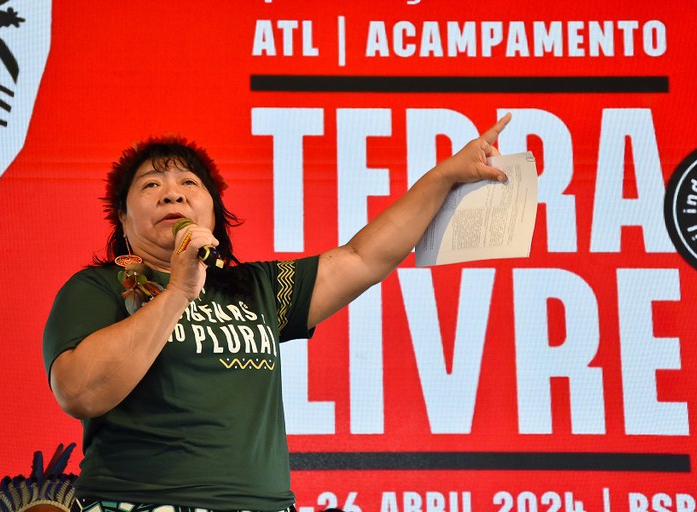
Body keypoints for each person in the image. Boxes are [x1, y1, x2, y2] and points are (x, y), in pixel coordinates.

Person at [42, 114, 511, 512]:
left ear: (214, 213)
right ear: (122, 220)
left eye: (189, 183)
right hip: (138, 502)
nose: (173, 194)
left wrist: (444, 176)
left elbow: (364, 258)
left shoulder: (257, 288)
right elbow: (80, 392)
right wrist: (179, 290)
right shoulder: (99, 288)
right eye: (151, 185)